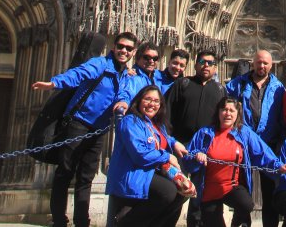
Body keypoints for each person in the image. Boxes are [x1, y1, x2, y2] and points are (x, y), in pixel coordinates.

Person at [31, 31, 138, 227]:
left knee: (86, 177)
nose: (124, 50)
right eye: (120, 46)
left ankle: (82, 222)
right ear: (113, 47)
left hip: (99, 130)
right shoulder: (99, 64)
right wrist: (54, 83)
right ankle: (59, 221)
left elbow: (124, 93)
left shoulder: (126, 74)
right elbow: (79, 74)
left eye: (128, 48)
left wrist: (122, 103)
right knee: (65, 172)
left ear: (133, 52)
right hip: (78, 123)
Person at [185, 97, 286, 227]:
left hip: (231, 187)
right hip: (209, 191)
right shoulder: (204, 133)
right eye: (224, 109)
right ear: (218, 112)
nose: (228, 113)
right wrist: (197, 155)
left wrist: (278, 166)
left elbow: (263, 152)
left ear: (237, 114)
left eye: (232, 110)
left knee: (246, 205)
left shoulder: (244, 133)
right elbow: (187, 158)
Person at [106, 85, 189, 227]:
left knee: (183, 191)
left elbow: (164, 138)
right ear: (138, 101)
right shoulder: (130, 121)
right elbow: (140, 154)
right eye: (148, 99)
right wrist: (167, 157)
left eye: (156, 101)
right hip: (131, 173)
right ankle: (125, 223)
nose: (152, 104)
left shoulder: (157, 124)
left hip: (148, 171)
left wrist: (174, 143)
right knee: (167, 191)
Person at [166, 50, 227, 227]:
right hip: (180, 146)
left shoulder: (220, 90)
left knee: (200, 195)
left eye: (210, 62)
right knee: (176, 190)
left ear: (216, 67)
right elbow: (167, 113)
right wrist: (170, 141)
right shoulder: (182, 84)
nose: (206, 65)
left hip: (206, 150)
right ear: (195, 64)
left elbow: (225, 121)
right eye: (202, 61)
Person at [226, 50, 286, 227]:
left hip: (268, 144)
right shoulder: (238, 84)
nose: (262, 66)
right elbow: (227, 109)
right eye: (259, 62)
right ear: (253, 63)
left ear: (271, 65)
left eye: (265, 63)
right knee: (242, 190)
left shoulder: (279, 87)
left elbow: (283, 116)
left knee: (269, 192)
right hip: (243, 143)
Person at [112, 42, 162, 112]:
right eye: (147, 57)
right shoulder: (133, 77)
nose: (151, 61)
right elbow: (126, 93)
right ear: (138, 58)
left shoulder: (157, 77)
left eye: (155, 58)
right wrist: (123, 102)